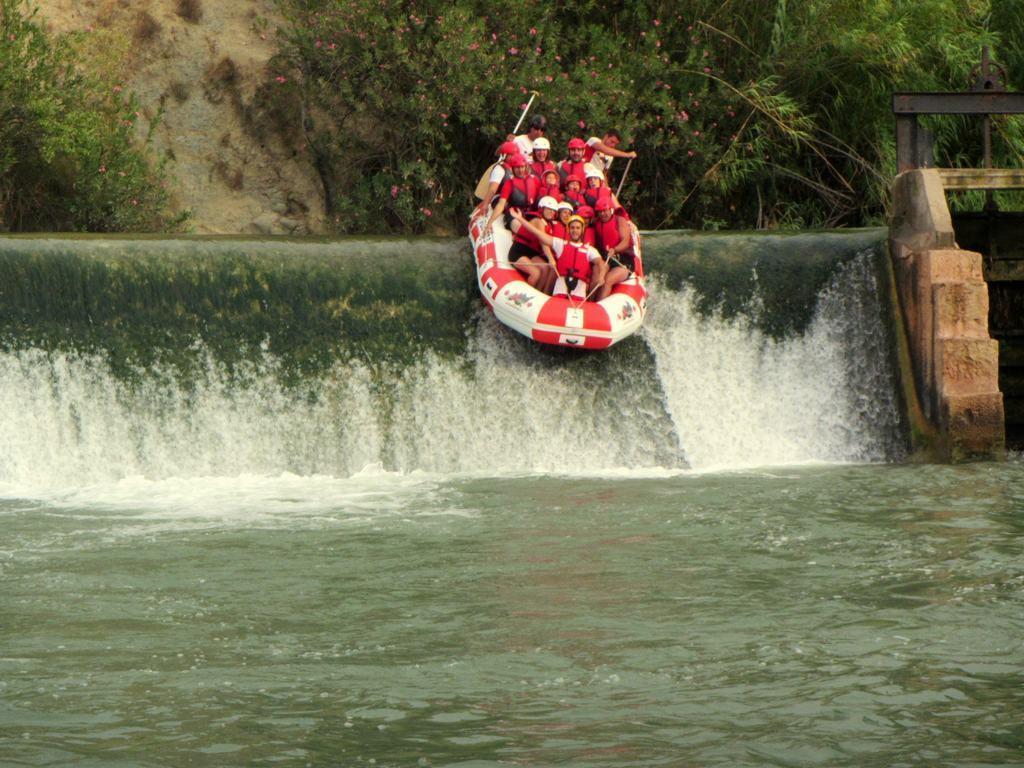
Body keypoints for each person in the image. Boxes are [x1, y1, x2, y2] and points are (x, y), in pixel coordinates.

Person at [511, 209, 605, 302]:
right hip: (560, 289)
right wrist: (520, 219)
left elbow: (600, 263)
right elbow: (538, 233)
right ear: (568, 230)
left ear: (582, 230)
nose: (575, 230)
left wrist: (601, 276)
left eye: (577, 228)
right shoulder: (560, 244)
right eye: (572, 228)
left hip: (579, 291)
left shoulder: (590, 250)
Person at [592, 196, 637, 301]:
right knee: (597, 275)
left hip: (623, 261)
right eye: (600, 212)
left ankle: (599, 307)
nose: (602, 214)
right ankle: (589, 302)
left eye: (604, 211)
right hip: (607, 259)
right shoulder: (597, 223)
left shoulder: (620, 220)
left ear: (610, 209)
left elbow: (625, 242)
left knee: (608, 280)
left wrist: (615, 250)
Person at [484, 153, 540, 234]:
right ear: (513, 169)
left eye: (522, 167)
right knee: (520, 228)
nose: (520, 170)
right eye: (517, 168)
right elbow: (500, 205)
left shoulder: (534, 180)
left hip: (531, 212)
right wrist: (489, 223)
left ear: (526, 167)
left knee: (540, 224)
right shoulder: (509, 184)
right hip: (515, 213)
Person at [474, 140, 519, 217]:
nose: (513, 157)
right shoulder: (499, 169)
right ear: (504, 155)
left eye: (515, 155)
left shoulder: (517, 169)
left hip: (510, 202)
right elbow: (492, 190)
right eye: (511, 155)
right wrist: (485, 205)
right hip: (498, 200)